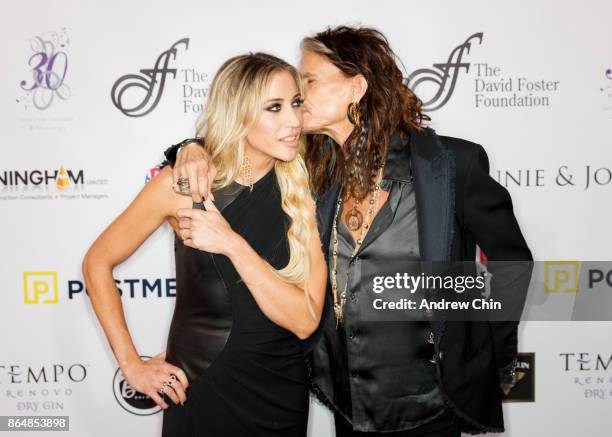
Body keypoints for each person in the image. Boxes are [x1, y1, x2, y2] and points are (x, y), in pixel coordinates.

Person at [163, 26, 533, 436]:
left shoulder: (450, 166)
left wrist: (493, 358)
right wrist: (189, 147)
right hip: (347, 402)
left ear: (356, 87)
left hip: (428, 406)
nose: (297, 96)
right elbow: (240, 137)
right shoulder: (310, 168)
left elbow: (511, 262)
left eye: (309, 81)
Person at [82, 52, 327, 436]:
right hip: (203, 386)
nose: (294, 120)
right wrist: (132, 365)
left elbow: (305, 321)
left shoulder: (306, 187)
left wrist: (232, 243)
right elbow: (97, 263)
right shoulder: (183, 186)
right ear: (238, 112)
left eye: (295, 103)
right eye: (274, 108)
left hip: (279, 394)